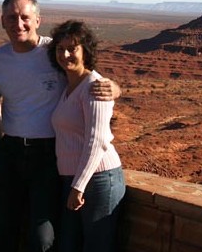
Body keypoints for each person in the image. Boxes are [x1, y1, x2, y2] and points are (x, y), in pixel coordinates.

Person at [0, 0, 120, 252]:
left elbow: (87, 76)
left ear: (38, 20)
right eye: (11, 18)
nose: (19, 24)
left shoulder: (54, 51)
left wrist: (115, 88)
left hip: (48, 155)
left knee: (43, 238)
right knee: (0, 229)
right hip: (9, 152)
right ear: (2, 21)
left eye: (25, 17)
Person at [48, 20, 125, 252]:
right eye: (60, 49)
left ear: (85, 51)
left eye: (73, 48)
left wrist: (78, 187)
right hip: (74, 178)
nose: (65, 54)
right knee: (69, 244)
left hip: (99, 179)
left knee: (96, 245)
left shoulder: (94, 86)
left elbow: (97, 140)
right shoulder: (67, 84)